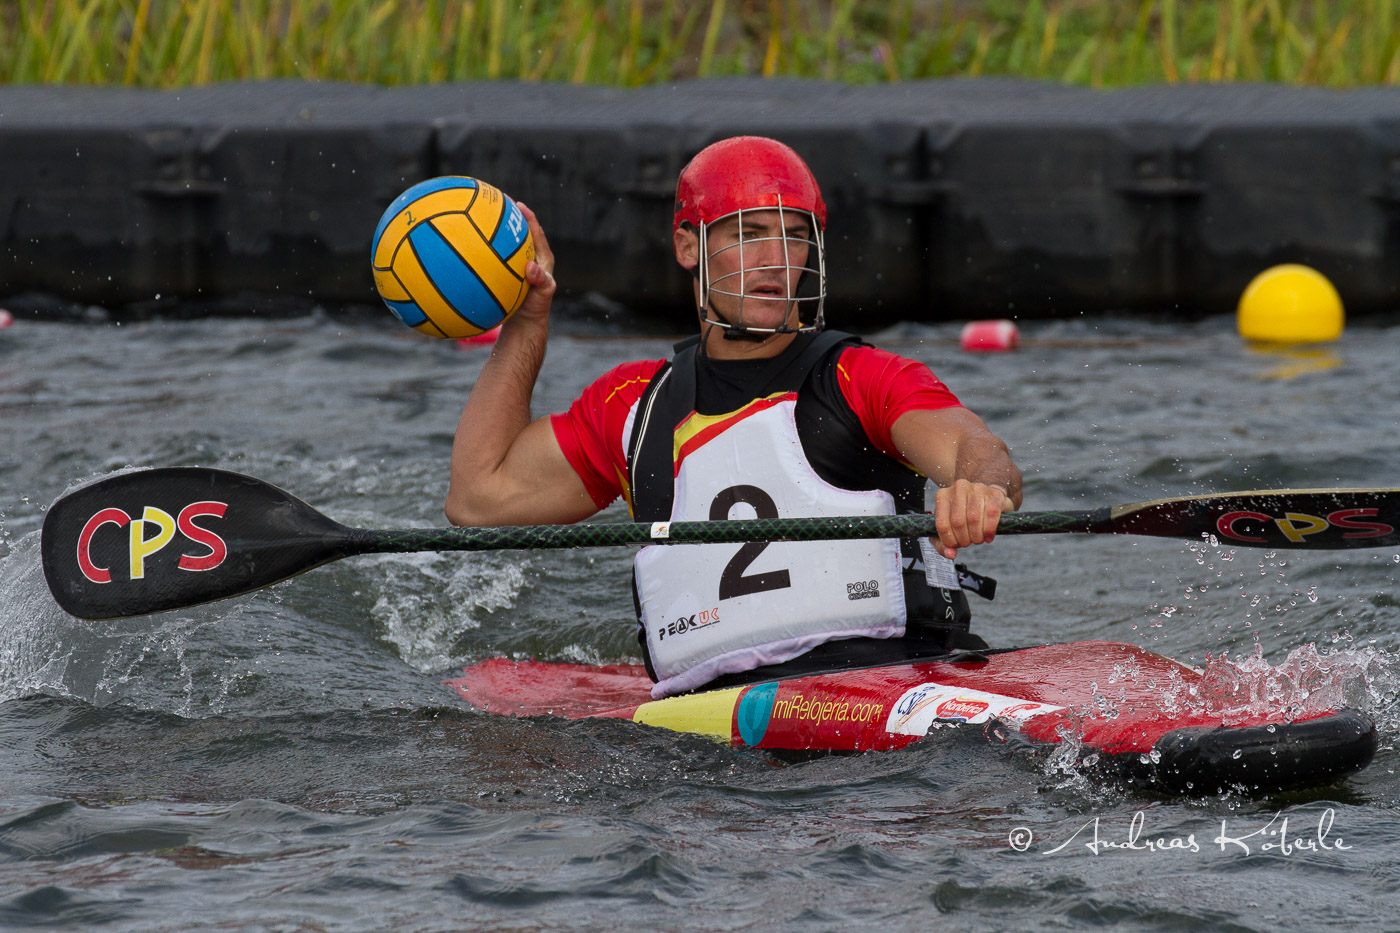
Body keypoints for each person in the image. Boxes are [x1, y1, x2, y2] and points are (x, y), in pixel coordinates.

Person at [446, 136, 1022, 699]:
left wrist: (978, 488)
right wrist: (528, 322)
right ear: (688, 246)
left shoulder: (862, 376)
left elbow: (975, 447)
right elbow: (478, 497)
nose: (775, 260)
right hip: (710, 719)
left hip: (897, 677)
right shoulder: (633, 406)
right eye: (748, 234)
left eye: (794, 237)